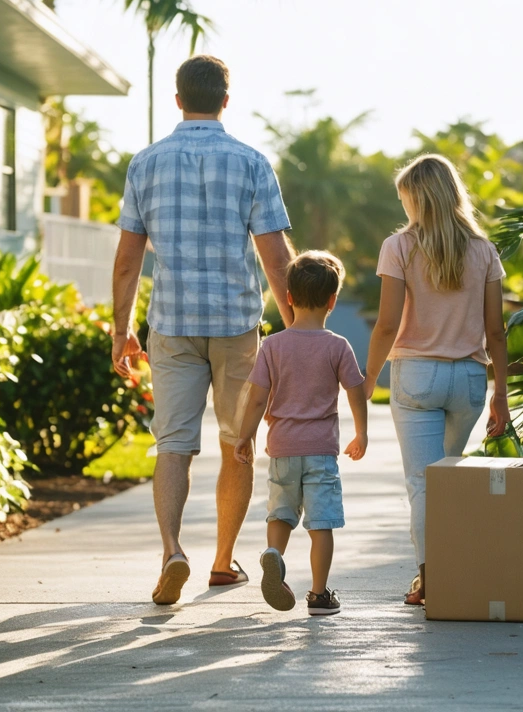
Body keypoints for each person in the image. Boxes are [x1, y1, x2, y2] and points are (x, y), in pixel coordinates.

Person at [111, 54, 295, 606]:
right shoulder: (252, 162)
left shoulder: (145, 163)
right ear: (225, 101)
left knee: (172, 444)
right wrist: (295, 332)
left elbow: (127, 261)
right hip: (236, 325)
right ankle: (221, 562)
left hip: (171, 324)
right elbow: (276, 259)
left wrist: (120, 331)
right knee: (238, 443)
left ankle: (172, 551)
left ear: (178, 100)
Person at [363, 154, 510, 607]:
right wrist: (501, 395)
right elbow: (496, 331)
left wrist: (367, 380)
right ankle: (450, 571)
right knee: (446, 480)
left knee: (424, 484)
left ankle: (431, 581)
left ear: (417, 199)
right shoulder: (484, 250)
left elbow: (387, 325)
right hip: (469, 379)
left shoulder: (399, 247)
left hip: (416, 377)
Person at [234, 251, 368, 616]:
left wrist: (245, 436)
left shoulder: (273, 346)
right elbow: (355, 390)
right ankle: (319, 595)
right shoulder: (337, 345)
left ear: (289, 297)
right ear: (332, 301)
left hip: (282, 448)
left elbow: (257, 398)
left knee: (280, 513)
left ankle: (274, 555)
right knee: (321, 523)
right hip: (321, 451)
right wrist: (361, 433)